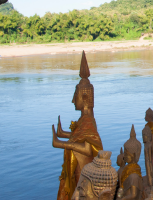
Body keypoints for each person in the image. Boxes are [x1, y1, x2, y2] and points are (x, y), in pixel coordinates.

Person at [52, 51, 103, 200]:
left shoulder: (87, 121)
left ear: (85, 96)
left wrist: (63, 144)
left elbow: (88, 148)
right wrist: (64, 134)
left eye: (76, 96)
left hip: (84, 173)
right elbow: (79, 137)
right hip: (79, 170)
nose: (73, 100)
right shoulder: (84, 120)